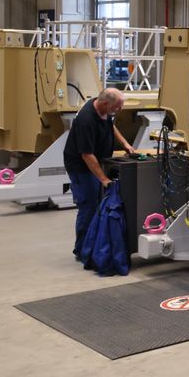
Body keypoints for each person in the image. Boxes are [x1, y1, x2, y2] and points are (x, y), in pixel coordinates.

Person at [63, 88, 134, 261]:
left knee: (97, 205)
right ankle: (81, 251)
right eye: (117, 107)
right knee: (88, 208)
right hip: (81, 168)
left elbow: (111, 124)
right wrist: (103, 179)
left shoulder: (104, 108)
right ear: (104, 104)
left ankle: (92, 245)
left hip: (96, 162)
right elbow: (86, 155)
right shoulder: (86, 120)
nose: (119, 110)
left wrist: (125, 144)